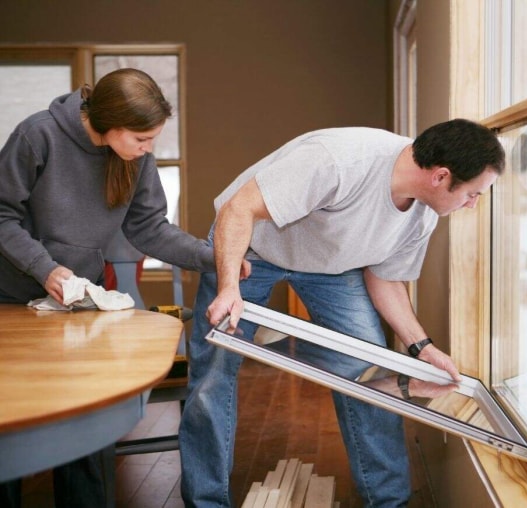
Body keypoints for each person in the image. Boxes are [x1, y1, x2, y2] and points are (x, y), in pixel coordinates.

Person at [179, 118, 505, 507]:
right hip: (251, 248)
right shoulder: (339, 161)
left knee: (369, 369)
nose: (473, 204)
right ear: (441, 176)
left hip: (333, 267)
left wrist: (421, 346)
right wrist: (230, 286)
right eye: (473, 194)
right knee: (214, 373)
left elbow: (385, 280)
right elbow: (238, 208)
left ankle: (388, 502)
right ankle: (206, 502)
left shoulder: (423, 215)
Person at [0, 68, 216, 508]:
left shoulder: (135, 158)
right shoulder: (37, 136)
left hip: (79, 305)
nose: (148, 148)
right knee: (11, 425)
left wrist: (215, 257)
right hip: (12, 298)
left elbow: (150, 228)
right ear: (110, 124)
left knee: (85, 424)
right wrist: (47, 269)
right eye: (142, 138)